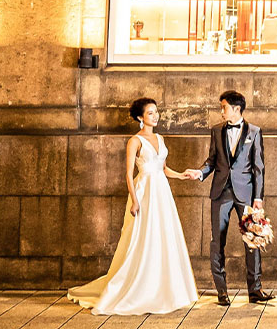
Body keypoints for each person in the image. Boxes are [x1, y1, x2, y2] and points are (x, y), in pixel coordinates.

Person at [67, 96, 198, 315]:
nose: (155, 116)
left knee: (163, 234)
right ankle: (136, 288)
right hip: (145, 191)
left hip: (162, 192)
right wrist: (135, 201)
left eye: (156, 112)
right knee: (142, 236)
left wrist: (181, 175)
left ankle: (163, 288)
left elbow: (163, 168)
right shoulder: (135, 141)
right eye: (150, 113)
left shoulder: (160, 138)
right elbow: (129, 174)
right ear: (140, 117)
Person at [184, 89, 275, 306]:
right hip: (221, 193)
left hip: (246, 194)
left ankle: (255, 289)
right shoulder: (216, 131)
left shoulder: (255, 132)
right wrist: (200, 173)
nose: (221, 112)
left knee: (253, 240)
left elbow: (258, 167)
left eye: (224, 107)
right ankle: (221, 290)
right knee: (217, 241)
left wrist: (258, 197)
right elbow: (211, 161)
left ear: (236, 108)